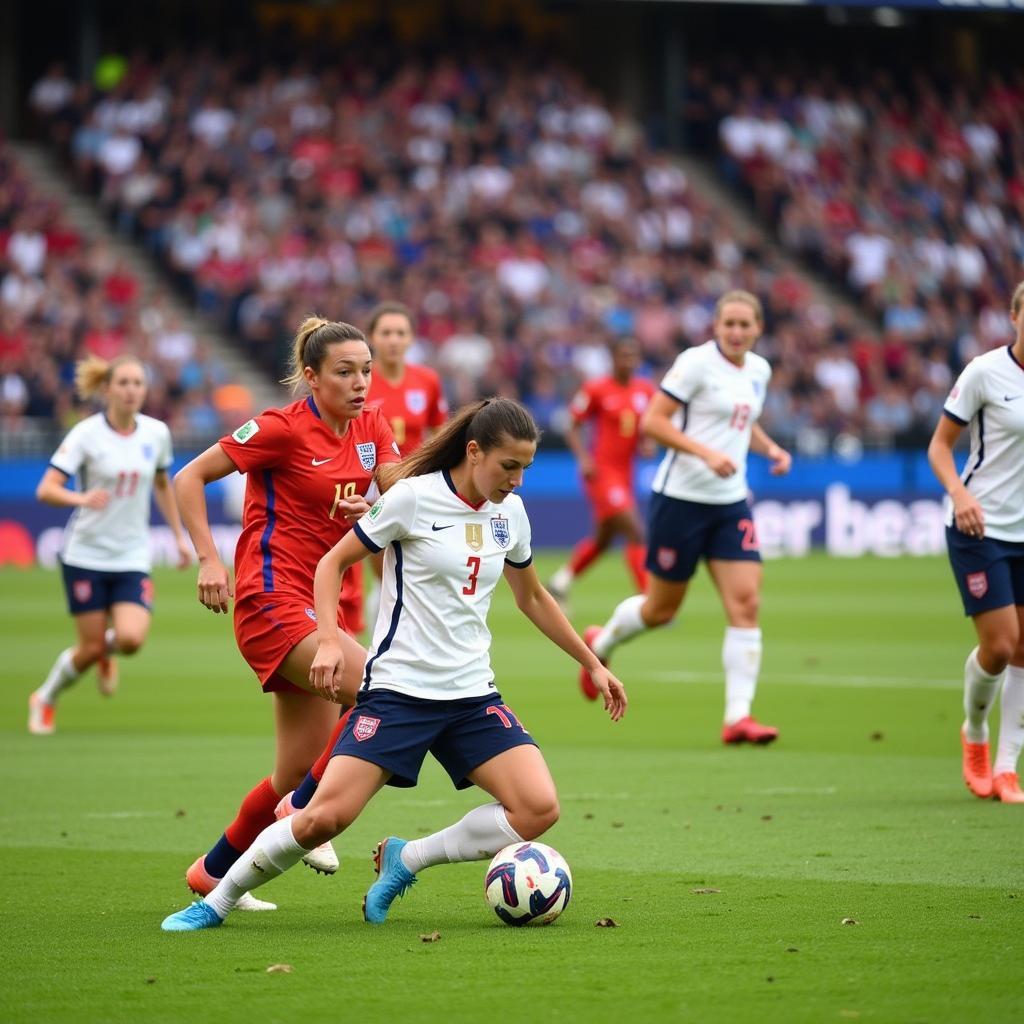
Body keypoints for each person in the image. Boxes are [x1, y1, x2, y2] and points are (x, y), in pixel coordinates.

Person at [161, 397, 627, 931]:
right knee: (320, 820)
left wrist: (593, 663)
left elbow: (535, 598)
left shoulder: (511, 514)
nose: (517, 481)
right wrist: (332, 642)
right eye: (508, 466)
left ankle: (408, 858)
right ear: (473, 452)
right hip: (399, 693)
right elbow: (333, 563)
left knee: (538, 809)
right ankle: (214, 902)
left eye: (525, 468)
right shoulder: (411, 499)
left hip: (473, 696)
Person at [172, 317, 399, 912]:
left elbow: (398, 493)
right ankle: (303, 807)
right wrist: (209, 561)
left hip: (323, 609)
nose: (360, 383)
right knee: (384, 689)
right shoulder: (279, 428)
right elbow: (188, 477)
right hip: (270, 600)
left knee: (294, 765)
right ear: (311, 377)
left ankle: (211, 872)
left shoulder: (373, 425)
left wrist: (370, 505)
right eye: (345, 372)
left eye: (366, 371)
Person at [580, 290, 791, 744]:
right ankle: (599, 645)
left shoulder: (759, 370)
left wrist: (770, 448)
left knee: (746, 604)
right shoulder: (695, 364)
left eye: (744, 324)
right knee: (660, 609)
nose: (736, 332)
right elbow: (653, 422)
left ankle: (738, 718)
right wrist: (705, 453)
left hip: (730, 500)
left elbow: (741, 420)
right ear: (715, 327)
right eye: (728, 324)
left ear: (758, 329)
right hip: (681, 500)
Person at [28, 354, 190, 735]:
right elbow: (46, 489)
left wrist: (180, 536)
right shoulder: (86, 434)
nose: (132, 390)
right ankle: (45, 697)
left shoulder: (156, 433)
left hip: (132, 553)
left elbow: (163, 485)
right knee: (87, 648)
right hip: (86, 553)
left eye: (138, 383)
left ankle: (105, 651)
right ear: (107, 390)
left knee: (131, 640)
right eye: (124, 383)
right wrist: (80, 499)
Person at [927, 279, 1024, 805]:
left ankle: (1008, 770)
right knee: (1001, 644)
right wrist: (960, 494)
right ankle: (975, 734)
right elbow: (940, 447)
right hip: (979, 526)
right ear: (1015, 316)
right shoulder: (986, 372)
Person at [548, 336, 655, 611]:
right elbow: (571, 425)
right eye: (623, 355)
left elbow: (649, 427)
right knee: (636, 532)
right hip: (602, 473)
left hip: (626, 473)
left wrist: (647, 442)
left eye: (633, 356)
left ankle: (560, 582)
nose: (628, 361)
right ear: (613, 359)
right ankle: (649, 600)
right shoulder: (596, 389)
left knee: (603, 540)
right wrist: (583, 458)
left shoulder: (645, 391)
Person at [361, 301, 448, 627]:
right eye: (386, 333)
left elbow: (440, 433)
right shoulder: (362, 380)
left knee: (418, 572)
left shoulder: (426, 380)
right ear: (372, 337)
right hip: (372, 487)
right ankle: (376, 649)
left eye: (400, 333)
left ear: (411, 338)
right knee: (383, 575)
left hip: (417, 487)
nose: (393, 340)